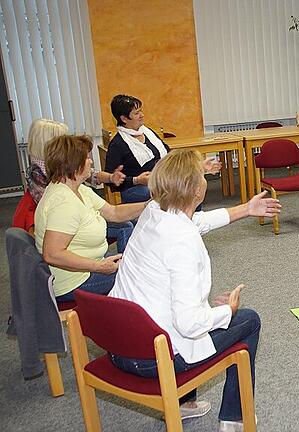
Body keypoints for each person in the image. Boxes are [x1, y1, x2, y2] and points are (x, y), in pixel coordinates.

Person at [108, 149, 281, 431]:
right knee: (249, 320)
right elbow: (189, 324)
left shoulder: (154, 210)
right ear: (197, 191)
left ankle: (186, 405)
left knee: (176, 309)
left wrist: (247, 209)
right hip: (152, 360)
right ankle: (235, 417)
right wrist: (227, 310)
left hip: (119, 345)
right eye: (201, 176)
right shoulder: (183, 242)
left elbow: (197, 222)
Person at [34, 135, 148, 302]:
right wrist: (100, 267)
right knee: (142, 275)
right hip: (73, 283)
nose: (91, 162)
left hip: (87, 268)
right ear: (74, 164)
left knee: (128, 237)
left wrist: (148, 205)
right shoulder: (64, 203)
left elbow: (115, 212)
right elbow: (52, 254)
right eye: (87, 158)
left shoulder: (77, 189)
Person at [26, 118, 126, 203]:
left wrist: (110, 178)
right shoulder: (36, 172)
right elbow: (51, 203)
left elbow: (91, 175)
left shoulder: (61, 160)